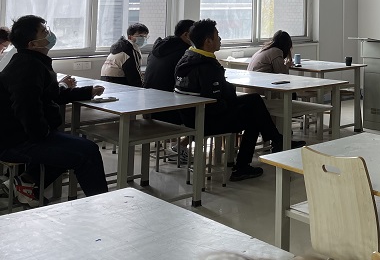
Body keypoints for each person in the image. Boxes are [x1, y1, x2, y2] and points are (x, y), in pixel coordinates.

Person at [0, 15, 108, 206]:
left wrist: (87, 92)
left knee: (72, 144)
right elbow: (26, 108)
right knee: (87, 152)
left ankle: (25, 183)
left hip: (23, 136)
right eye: (44, 31)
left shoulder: (33, 61)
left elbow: (53, 94)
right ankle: (103, 207)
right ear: (33, 44)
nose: (49, 34)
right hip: (15, 142)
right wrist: (45, 137)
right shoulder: (27, 66)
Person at [174, 19, 300, 181]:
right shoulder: (207, 67)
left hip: (188, 117)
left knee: (254, 100)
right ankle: (244, 165)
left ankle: (276, 140)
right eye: (217, 35)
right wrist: (230, 100)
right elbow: (217, 104)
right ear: (208, 41)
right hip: (205, 120)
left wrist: (229, 96)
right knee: (253, 117)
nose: (220, 39)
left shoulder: (187, 59)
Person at [144, 20, 194, 161]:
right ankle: (180, 146)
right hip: (168, 109)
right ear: (186, 35)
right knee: (208, 114)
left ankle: (174, 145)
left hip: (149, 106)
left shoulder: (158, 49)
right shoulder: (184, 53)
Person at [101, 22, 149, 87]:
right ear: (130, 37)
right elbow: (134, 76)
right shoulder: (130, 50)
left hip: (106, 82)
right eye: (140, 36)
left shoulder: (120, 47)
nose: (143, 39)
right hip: (118, 83)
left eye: (145, 36)